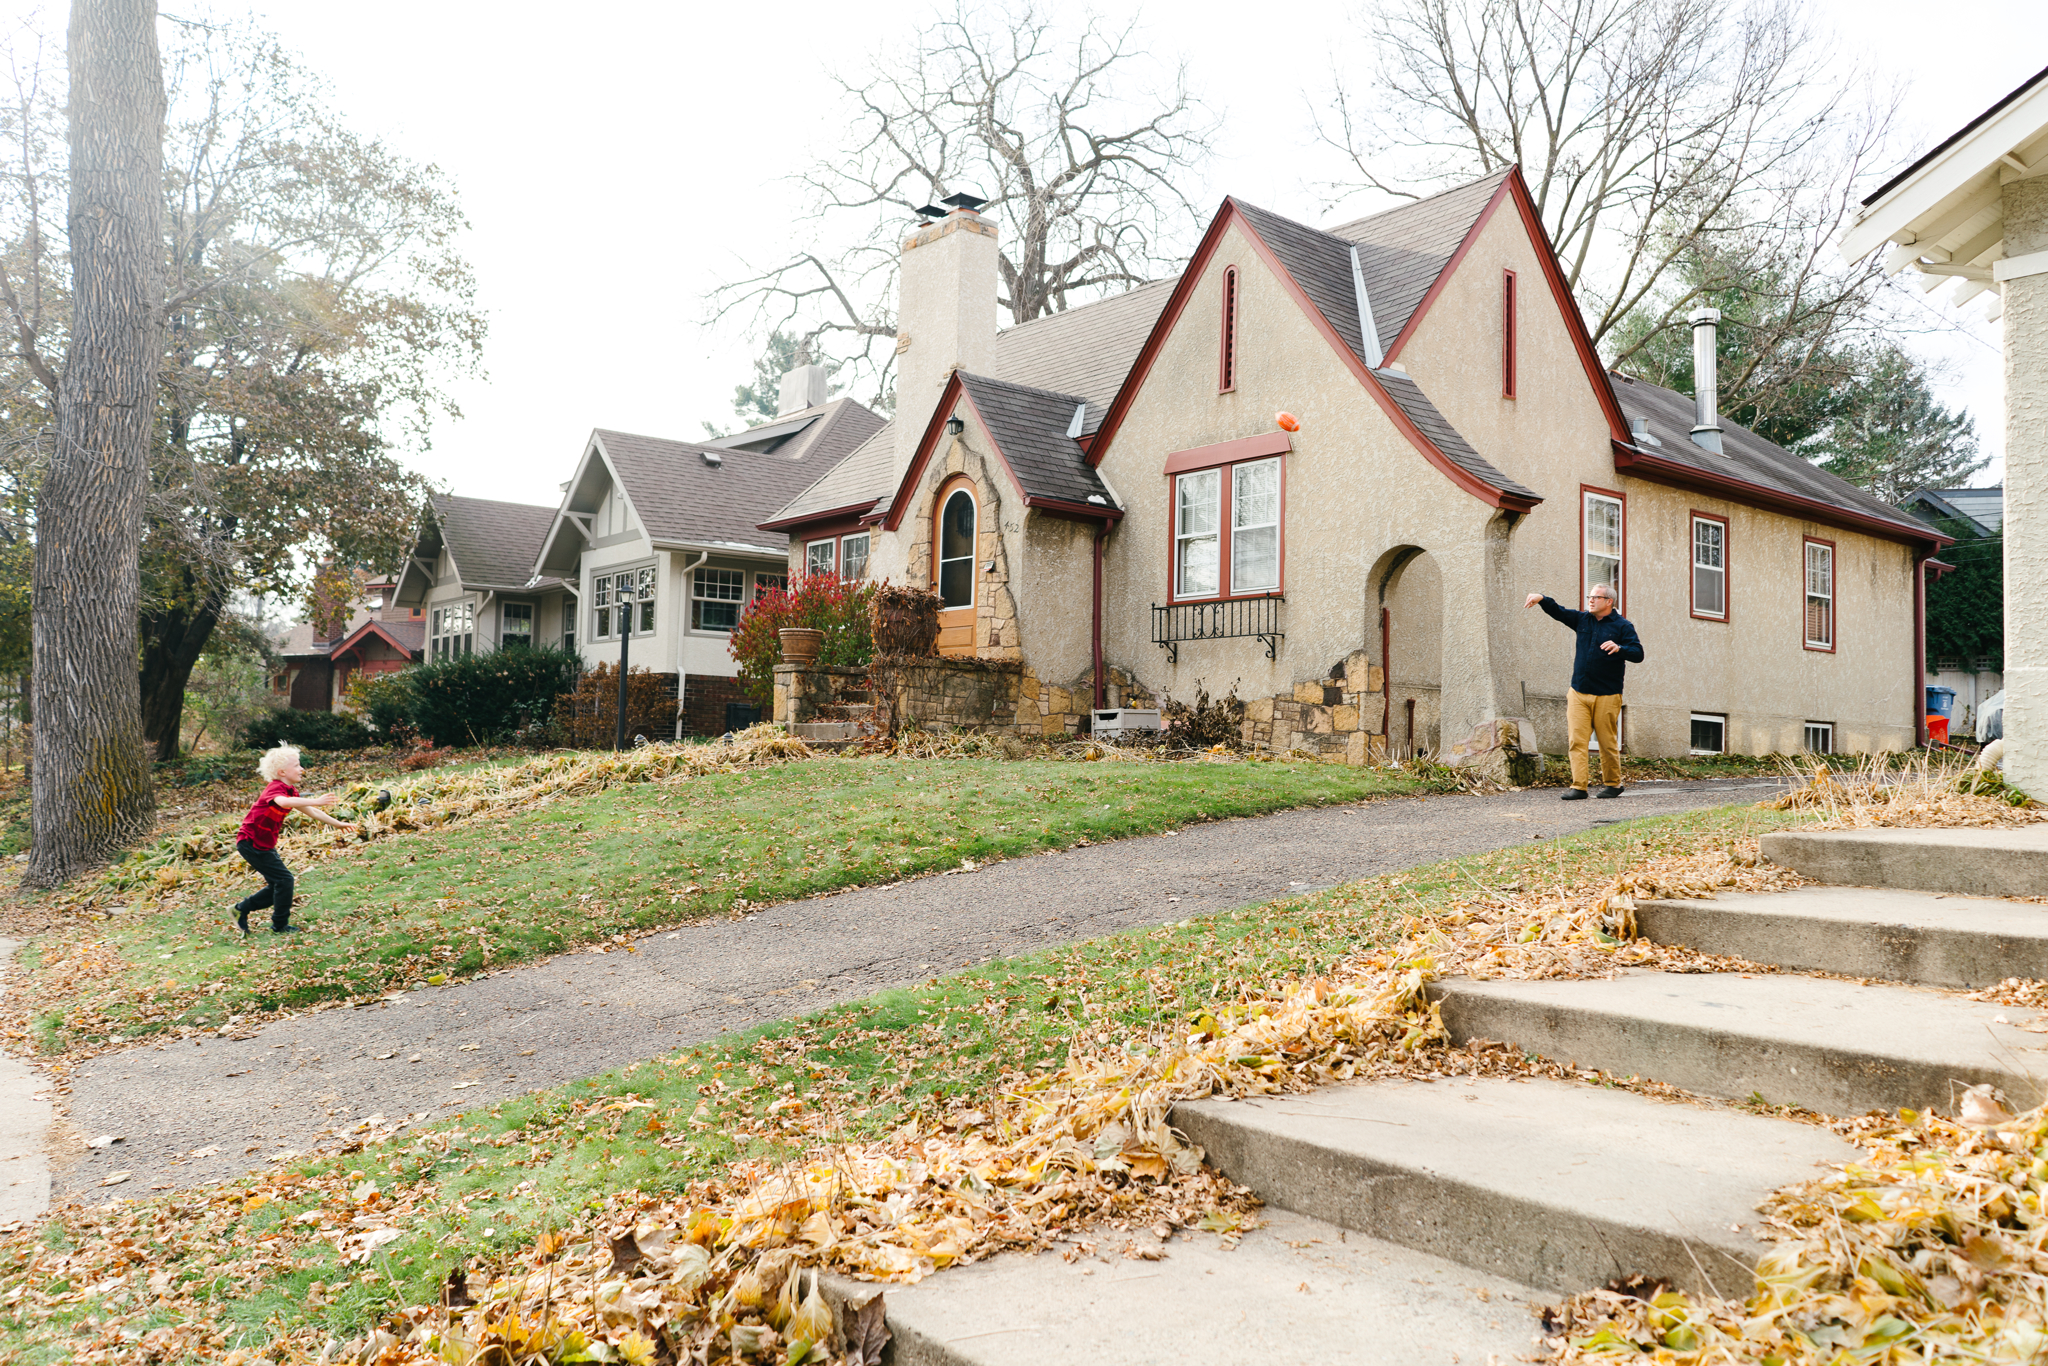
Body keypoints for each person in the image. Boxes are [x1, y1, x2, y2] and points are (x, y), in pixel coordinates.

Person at [1525, 584, 1644, 800]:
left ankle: (1613, 784)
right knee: (1577, 741)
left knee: (1607, 743)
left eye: (1596, 597)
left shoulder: (1622, 626)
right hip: (1579, 692)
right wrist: (1541, 598)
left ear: (1609, 601)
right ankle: (1579, 787)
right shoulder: (1582, 620)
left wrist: (1620, 648)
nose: (1590, 600)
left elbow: (1638, 653)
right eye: (1589, 596)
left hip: (1607, 695)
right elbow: (1559, 611)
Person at [233, 744, 357, 934]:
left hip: (262, 844)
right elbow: (283, 802)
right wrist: (316, 799)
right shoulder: (275, 789)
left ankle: (240, 909)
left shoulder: (290, 791)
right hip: (250, 842)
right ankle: (279, 925)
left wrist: (338, 823)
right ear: (282, 771)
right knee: (285, 881)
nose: (302, 769)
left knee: (279, 884)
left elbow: (312, 811)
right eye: (297, 766)